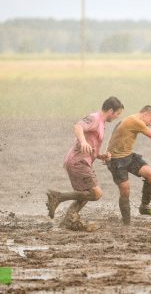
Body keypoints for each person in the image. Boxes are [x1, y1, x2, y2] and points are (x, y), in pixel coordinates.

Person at [46, 96, 124, 231]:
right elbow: (77, 126)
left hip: (81, 161)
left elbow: (91, 147)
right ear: (111, 110)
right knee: (96, 194)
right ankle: (57, 197)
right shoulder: (95, 118)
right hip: (78, 162)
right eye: (118, 114)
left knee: (85, 195)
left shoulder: (101, 123)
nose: (117, 117)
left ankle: (68, 221)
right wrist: (82, 141)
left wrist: (101, 156)